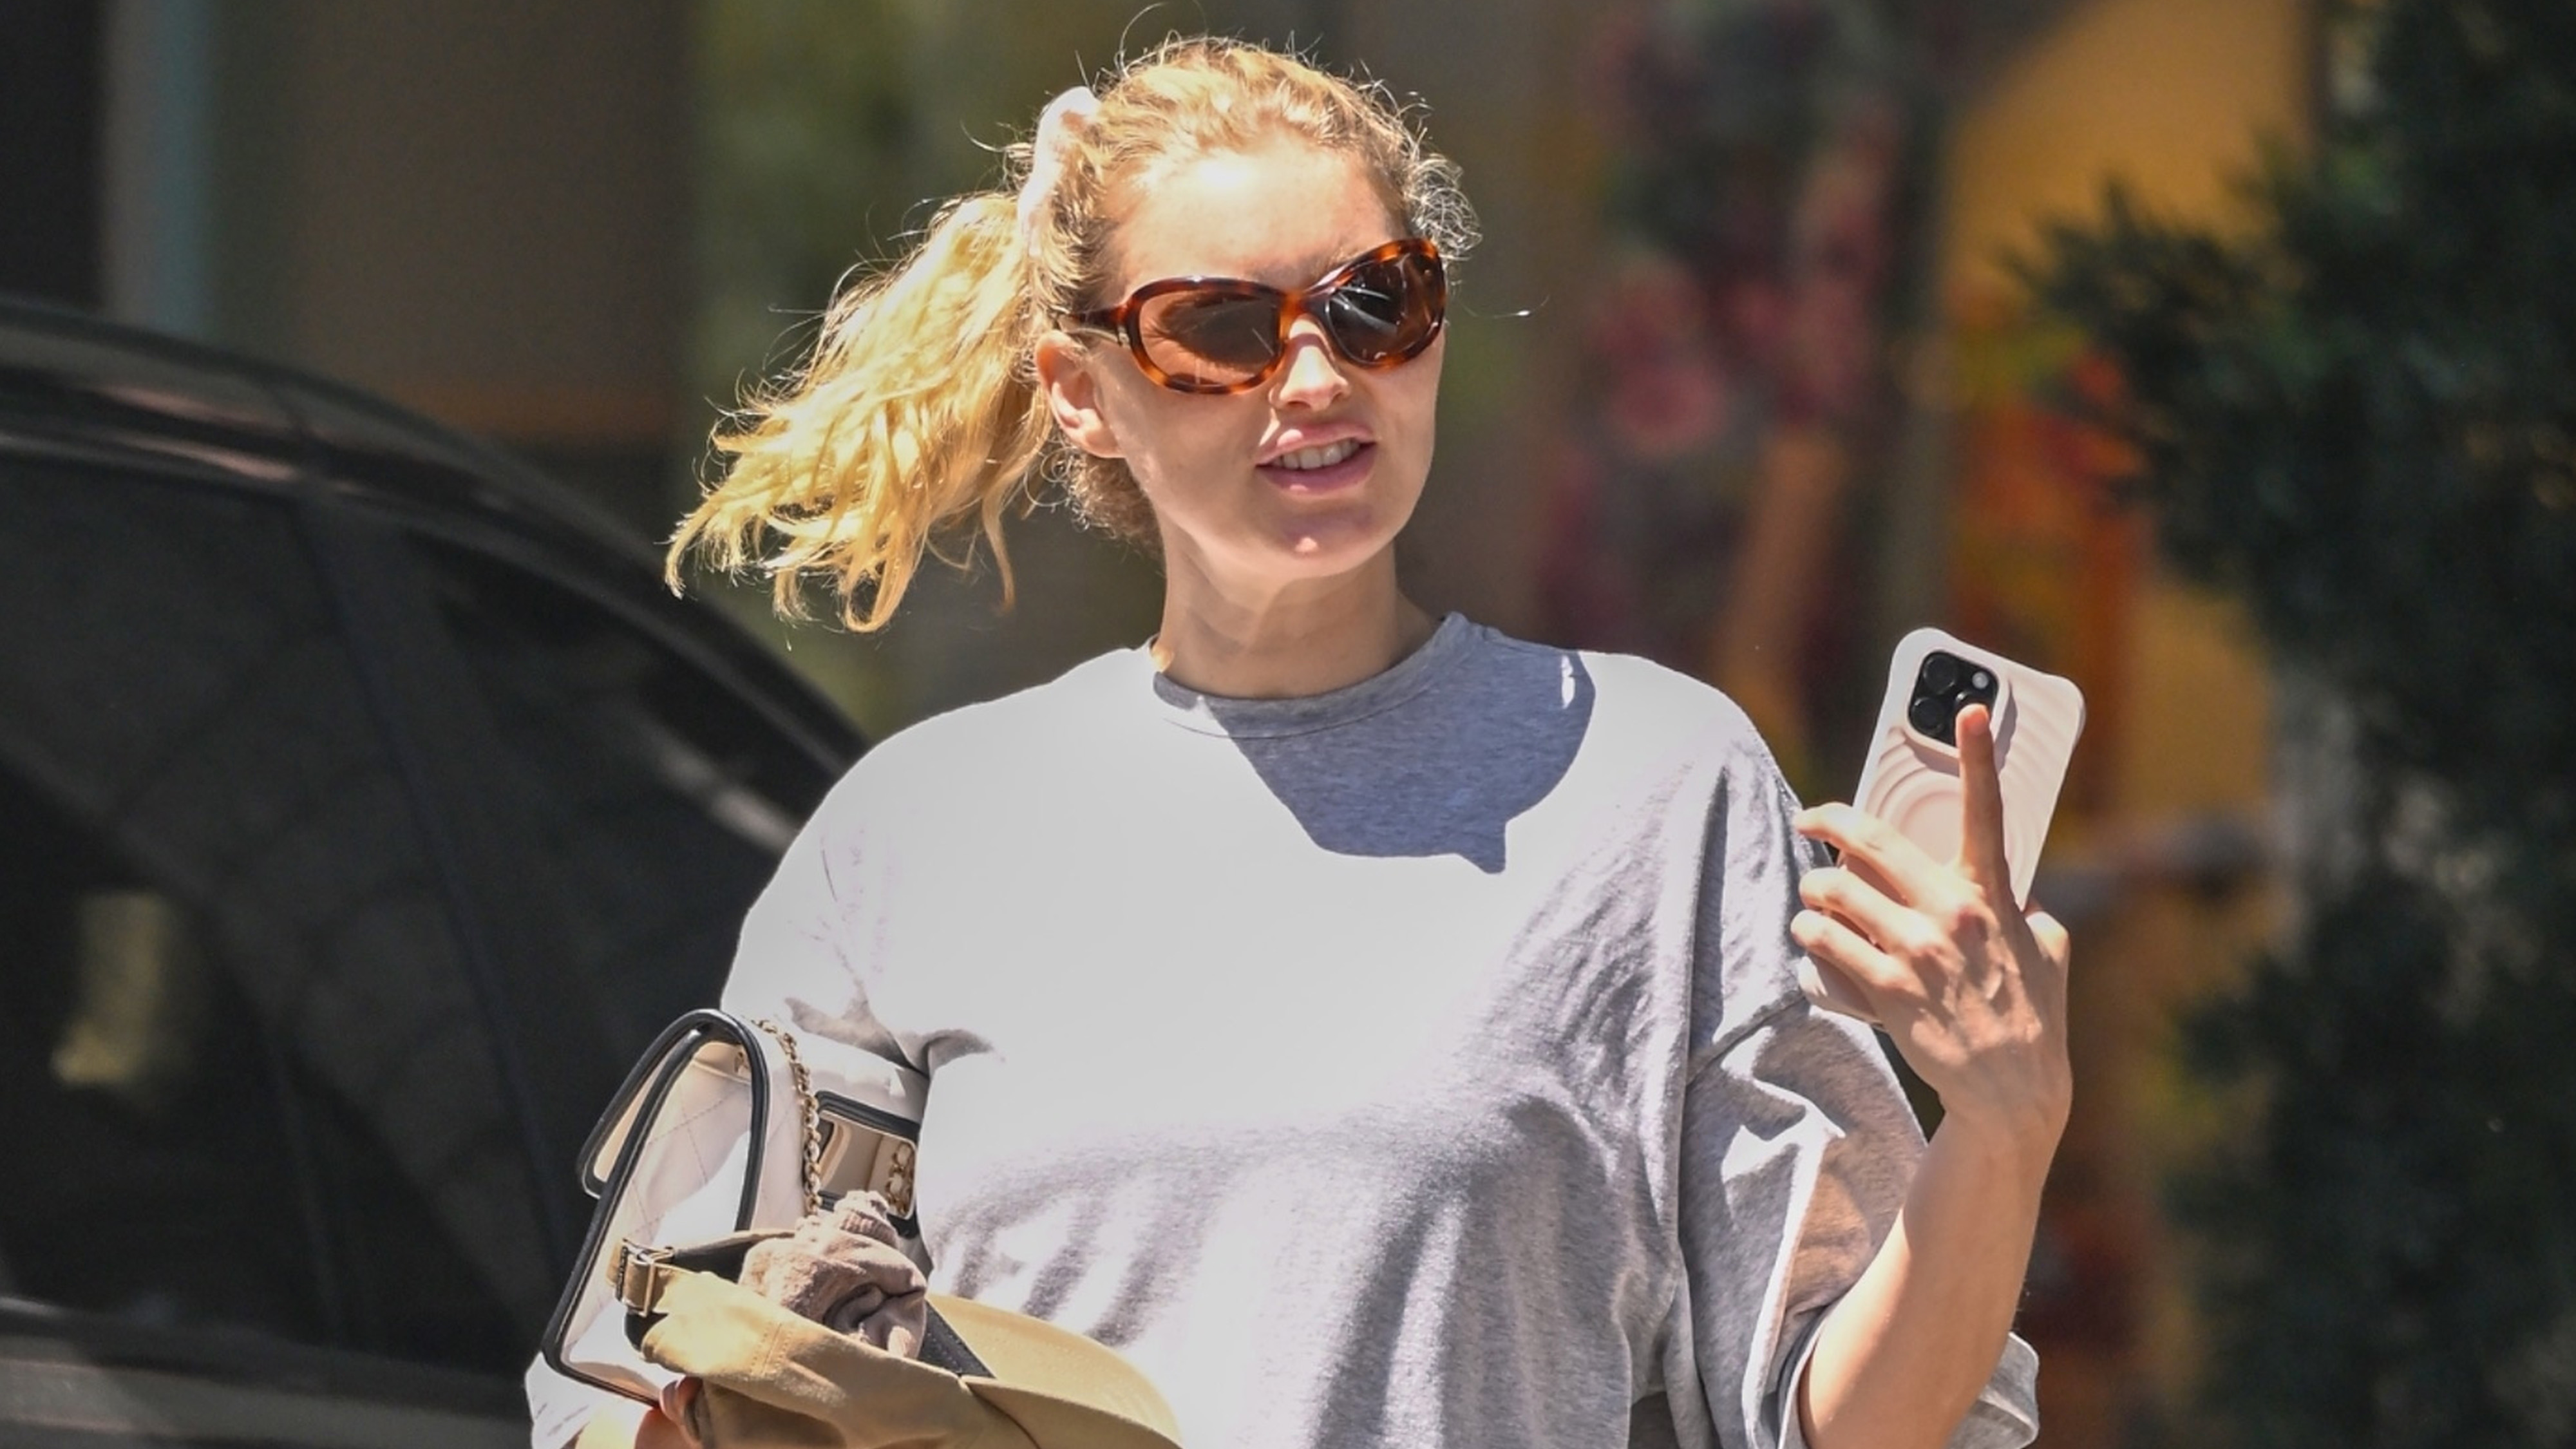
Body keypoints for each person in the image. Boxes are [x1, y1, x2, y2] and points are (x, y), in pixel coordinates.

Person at [529, 35, 2065, 1449]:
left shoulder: (1656, 791)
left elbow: (1848, 1423)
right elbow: (633, 1385)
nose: (1317, 379)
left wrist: (2000, 1125)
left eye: (1371, 304)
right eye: (1218, 329)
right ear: (1080, 390)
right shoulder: (914, 834)